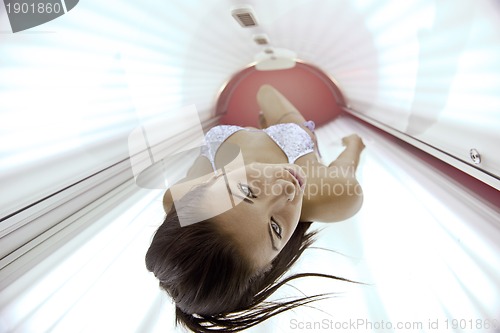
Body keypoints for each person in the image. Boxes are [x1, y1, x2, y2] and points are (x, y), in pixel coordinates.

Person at [145, 84, 365, 332]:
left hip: (221, 145)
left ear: (209, 182)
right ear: (272, 262)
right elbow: (345, 165)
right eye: (275, 227)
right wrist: (353, 145)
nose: (287, 189)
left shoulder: (177, 199)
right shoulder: (336, 195)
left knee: (263, 90)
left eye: (247, 192)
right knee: (266, 91)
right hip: (293, 141)